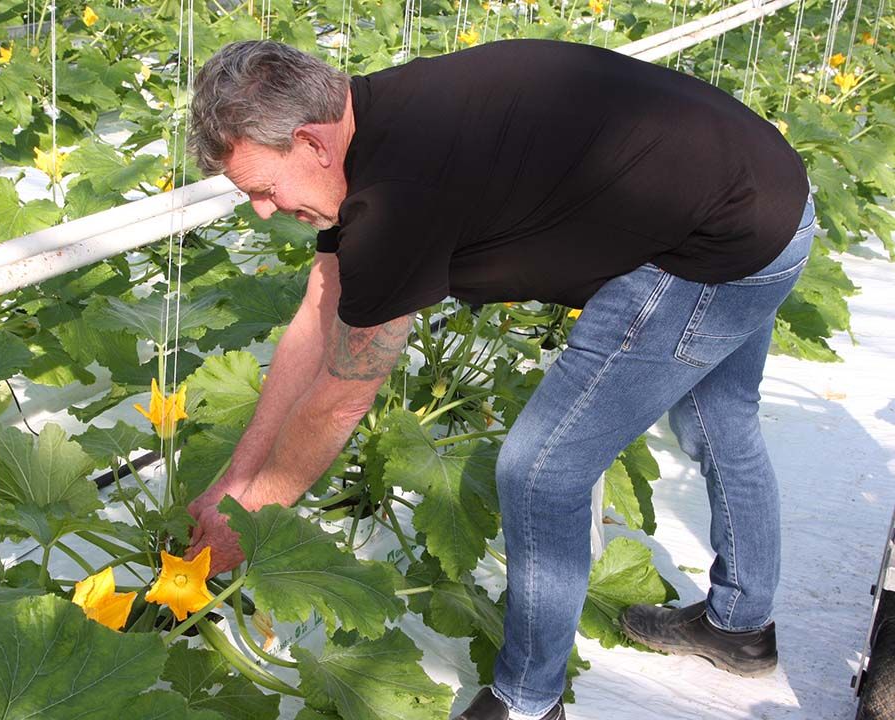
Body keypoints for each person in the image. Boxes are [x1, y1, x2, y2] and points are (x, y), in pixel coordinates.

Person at [183, 38, 814, 720]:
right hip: (766, 193)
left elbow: (339, 400)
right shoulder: (375, 114)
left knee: (542, 470)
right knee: (719, 424)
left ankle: (527, 703)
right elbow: (318, 307)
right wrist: (232, 484)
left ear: (310, 143)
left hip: (715, 245)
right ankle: (740, 627)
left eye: (262, 190)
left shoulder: (396, 198)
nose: (263, 212)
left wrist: (249, 523)